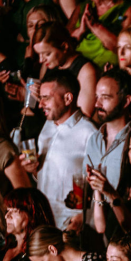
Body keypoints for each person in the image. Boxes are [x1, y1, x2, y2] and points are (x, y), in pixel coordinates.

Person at [33, 70, 98, 229]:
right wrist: (34, 169)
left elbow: (100, 185)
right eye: (40, 98)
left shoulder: (89, 133)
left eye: (46, 98)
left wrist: (85, 217)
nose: (40, 104)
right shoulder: (47, 127)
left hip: (68, 224)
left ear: (68, 98)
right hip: (42, 219)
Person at [84, 69, 131, 198]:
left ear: (125, 101)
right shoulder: (94, 139)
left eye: (105, 98)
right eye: (97, 97)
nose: (97, 104)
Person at [33, 23, 99, 118]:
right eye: (39, 54)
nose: (41, 60)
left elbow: (83, 116)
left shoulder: (86, 71)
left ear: (64, 47)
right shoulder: (48, 65)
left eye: (47, 54)